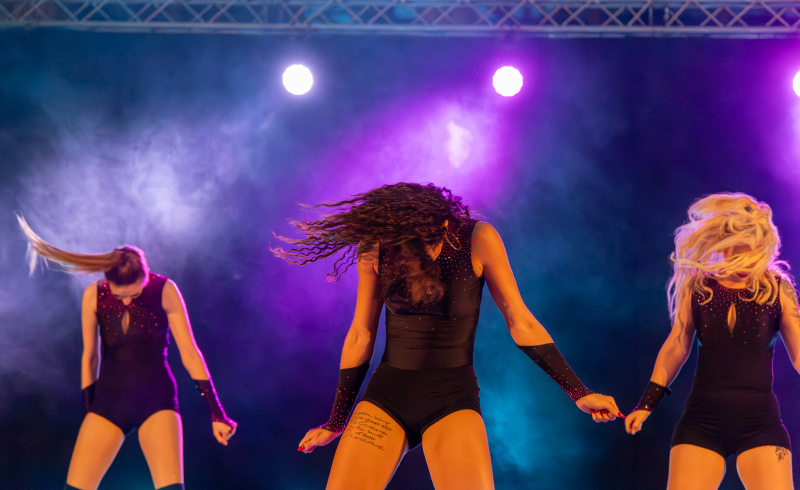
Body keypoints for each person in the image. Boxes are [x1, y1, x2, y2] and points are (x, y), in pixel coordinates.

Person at [273, 182, 622, 489]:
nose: (414, 257)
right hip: (387, 397)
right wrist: (336, 421)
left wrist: (579, 392)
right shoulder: (378, 245)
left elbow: (521, 322)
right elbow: (360, 335)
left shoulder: (478, 239)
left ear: (443, 226)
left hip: (451, 399)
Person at [17, 216, 237, 490]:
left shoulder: (165, 290)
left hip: (156, 399)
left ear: (145, 277)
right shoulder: (94, 295)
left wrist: (217, 414)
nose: (127, 300)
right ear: (107, 281)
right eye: (120, 295)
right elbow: (90, 357)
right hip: (110, 401)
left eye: (133, 293)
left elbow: (191, 354)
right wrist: (90, 408)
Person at [625, 193, 800, 490]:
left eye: (750, 253)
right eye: (736, 252)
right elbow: (677, 344)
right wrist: (647, 403)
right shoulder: (698, 287)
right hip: (701, 421)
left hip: (760, 422)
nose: (743, 261)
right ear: (723, 244)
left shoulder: (777, 290)